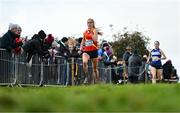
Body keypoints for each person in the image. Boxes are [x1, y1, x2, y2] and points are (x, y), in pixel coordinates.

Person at [80, 18, 102, 84]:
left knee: (95, 69)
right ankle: (86, 77)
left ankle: (97, 82)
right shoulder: (84, 32)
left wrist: (91, 33)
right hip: (86, 51)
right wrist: (81, 47)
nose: (89, 24)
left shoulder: (94, 30)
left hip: (94, 51)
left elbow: (95, 40)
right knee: (84, 62)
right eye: (88, 23)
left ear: (93, 23)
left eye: (90, 22)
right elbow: (83, 40)